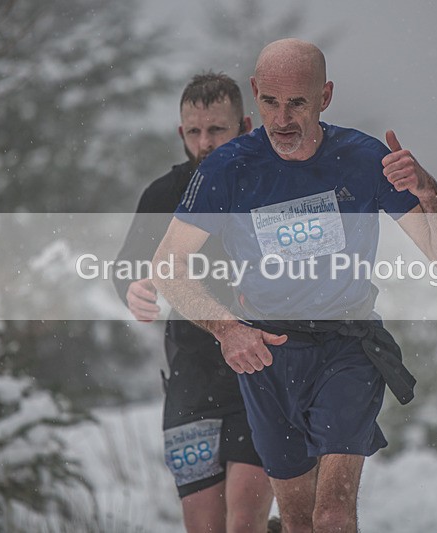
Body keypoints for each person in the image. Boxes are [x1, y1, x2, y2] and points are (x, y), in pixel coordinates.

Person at [152, 40, 437, 533]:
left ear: (324, 96)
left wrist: (428, 190)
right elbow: (168, 265)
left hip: (346, 347)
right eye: (271, 103)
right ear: (256, 93)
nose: (282, 119)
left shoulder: (365, 160)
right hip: (267, 354)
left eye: (297, 103)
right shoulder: (228, 168)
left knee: (332, 515)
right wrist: (227, 329)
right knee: (299, 520)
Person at [112, 72, 274, 533]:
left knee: (244, 517)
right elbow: (126, 264)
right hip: (191, 379)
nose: (205, 142)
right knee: (205, 526)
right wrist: (132, 288)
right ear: (181, 133)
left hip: (260, 371)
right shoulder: (163, 194)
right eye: (194, 132)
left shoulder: (272, 185)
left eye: (217, 129)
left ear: (244, 125)